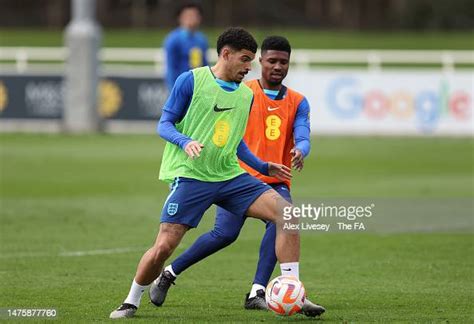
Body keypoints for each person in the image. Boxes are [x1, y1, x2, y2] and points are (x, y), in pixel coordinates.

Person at [110, 27, 309, 319]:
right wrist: (185, 141)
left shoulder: (245, 95)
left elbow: (236, 141)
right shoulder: (191, 80)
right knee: (164, 245)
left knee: (287, 214)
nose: (248, 67)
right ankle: (131, 299)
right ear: (225, 54)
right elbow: (164, 124)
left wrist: (262, 166)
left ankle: (291, 289)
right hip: (191, 175)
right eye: (244, 59)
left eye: (251, 61)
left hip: (230, 176)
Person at [164, 2, 208, 90]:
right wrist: (174, 90)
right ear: (180, 18)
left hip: (198, 88)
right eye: (188, 15)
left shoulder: (202, 39)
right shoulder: (173, 39)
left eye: (195, 15)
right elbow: (171, 68)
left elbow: (204, 65)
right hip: (181, 88)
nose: (192, 18)